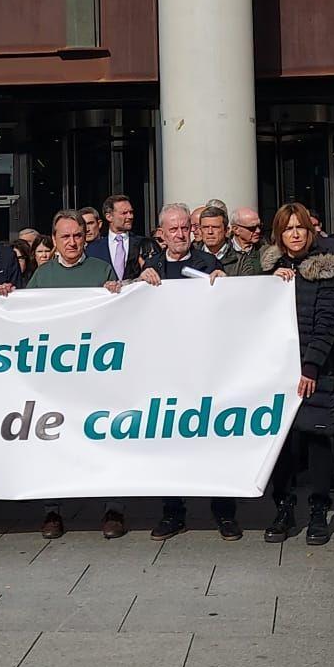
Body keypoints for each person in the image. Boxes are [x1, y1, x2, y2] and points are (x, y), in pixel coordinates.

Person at [28, 210, 127, 537]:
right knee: (51, 441)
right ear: (54, 240)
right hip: (55, 376)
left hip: (95, 373)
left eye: (77, 235)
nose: (71, 242)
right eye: (65, 236)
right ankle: (52, 511)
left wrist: (119, 291)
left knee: (103, 438)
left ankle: (112, 508)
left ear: (86, 237)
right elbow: (20, 316)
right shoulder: (43, 276)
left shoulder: (101, 271)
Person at [143, 204, 233, 540]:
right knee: (170, 444)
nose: (180, 235)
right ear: (162, 234)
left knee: (213, 440)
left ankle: (224, 512)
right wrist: (138, 285)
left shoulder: (208, 264)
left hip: (205, 368)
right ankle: (173, 512)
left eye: (185, 228)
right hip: (167, 372)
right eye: (173, 230)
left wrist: (224, 284)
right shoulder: (151, 267)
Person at [259, 203, 334, 544]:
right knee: (281, 445)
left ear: (310, 233)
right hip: (276, 372)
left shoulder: (325, 271)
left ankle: (318, 510)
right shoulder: (268, 272)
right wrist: (271, 284)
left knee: (316, 438)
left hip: (313, 370)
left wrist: (310, 366)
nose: (294, 234)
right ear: (278, 235)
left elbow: (329, 322)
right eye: (288, 229)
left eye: (300, 228)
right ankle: (283, 508)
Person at [87, 195, 157, 282]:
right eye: (124, 213)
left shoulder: (145, 244)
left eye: (131, 212)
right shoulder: (93, 249)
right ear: (109, 217)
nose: (130, 216)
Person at [198, 205, 261, 276]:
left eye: (215, 227)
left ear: (226, 231)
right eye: (205, 227)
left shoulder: (242, 260)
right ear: (200, 230)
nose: (210, 232)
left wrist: (227, 280)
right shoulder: (190, 257)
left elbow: (247, 285)